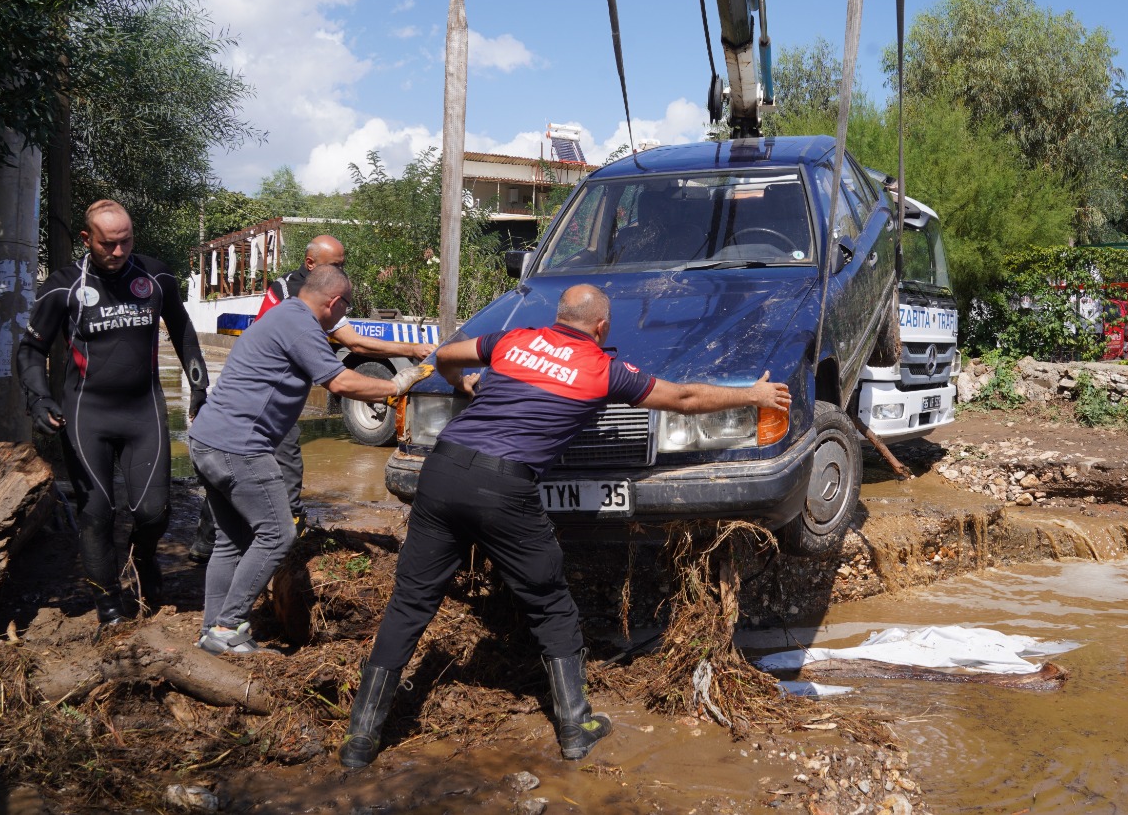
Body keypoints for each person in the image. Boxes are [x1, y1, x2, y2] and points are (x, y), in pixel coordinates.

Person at [338, 283, 791, 768]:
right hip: (504, 489)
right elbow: (680, 396)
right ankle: (576, 727)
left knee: (411, 601)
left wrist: (461, 385)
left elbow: (446, 354)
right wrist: (752, 394)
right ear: (602, 327)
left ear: (558, 315)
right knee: (550, 603)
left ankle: (360, 739)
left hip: (442, 471)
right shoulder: (601, 368)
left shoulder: (513, 340)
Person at [186, 265, 421, 655]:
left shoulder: (283, 314)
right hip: (240, 446)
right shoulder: (302, 326)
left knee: (232, 540)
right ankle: (228, 627)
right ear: (334, 302)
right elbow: (341, 382)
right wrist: (396, 385)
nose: (343, 314)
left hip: (207, 439)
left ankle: (212, 630)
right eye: (345, 307)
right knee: (279, 533)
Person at [16, 200, 210, 624]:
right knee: (96, 515)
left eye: (126, 241)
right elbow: (30, 348)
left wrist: (199, 386)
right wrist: (38, 398)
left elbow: (182, 330)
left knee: (152, 512)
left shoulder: (155, 276)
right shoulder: (65, 285)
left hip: (144, 411)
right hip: (88, 415)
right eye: (109, 244)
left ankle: (144, 558)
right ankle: (109, 609)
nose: (119, 251)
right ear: (87, 240)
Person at [187, 235, 434, 560]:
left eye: (342, 264)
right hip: (264, 397)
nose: (340, 270)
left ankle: (220, 544)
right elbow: (351, 349)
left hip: (269, 395)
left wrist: (411, 349)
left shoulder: (308, 288)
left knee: (232, 472)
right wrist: (404, 366)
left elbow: (352, 342)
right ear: (310, 264)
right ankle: (286, 544)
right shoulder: (298, 291)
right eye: (335, 265)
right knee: (284, 469)